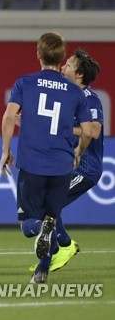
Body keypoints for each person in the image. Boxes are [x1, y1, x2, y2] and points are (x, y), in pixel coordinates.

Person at [0, 32, 93, 284]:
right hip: (62, 164)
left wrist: (5, 150)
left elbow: (9, 117)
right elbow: (87, 131)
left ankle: (41, 231)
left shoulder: (24, 83)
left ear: (38, 54)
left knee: (29, 224)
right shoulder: (75, 92)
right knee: (52, 216)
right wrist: (78, 152)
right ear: (62, 57)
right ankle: (41, 272)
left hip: (32, 163)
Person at [28, 48, 103, 273]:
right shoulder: (67, 97)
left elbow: (95, 131)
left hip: (86, 168)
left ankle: (65, 246)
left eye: (69, 64)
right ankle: (61, 248)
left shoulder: (89, 98)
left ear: (79, 75)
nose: (63, 67)